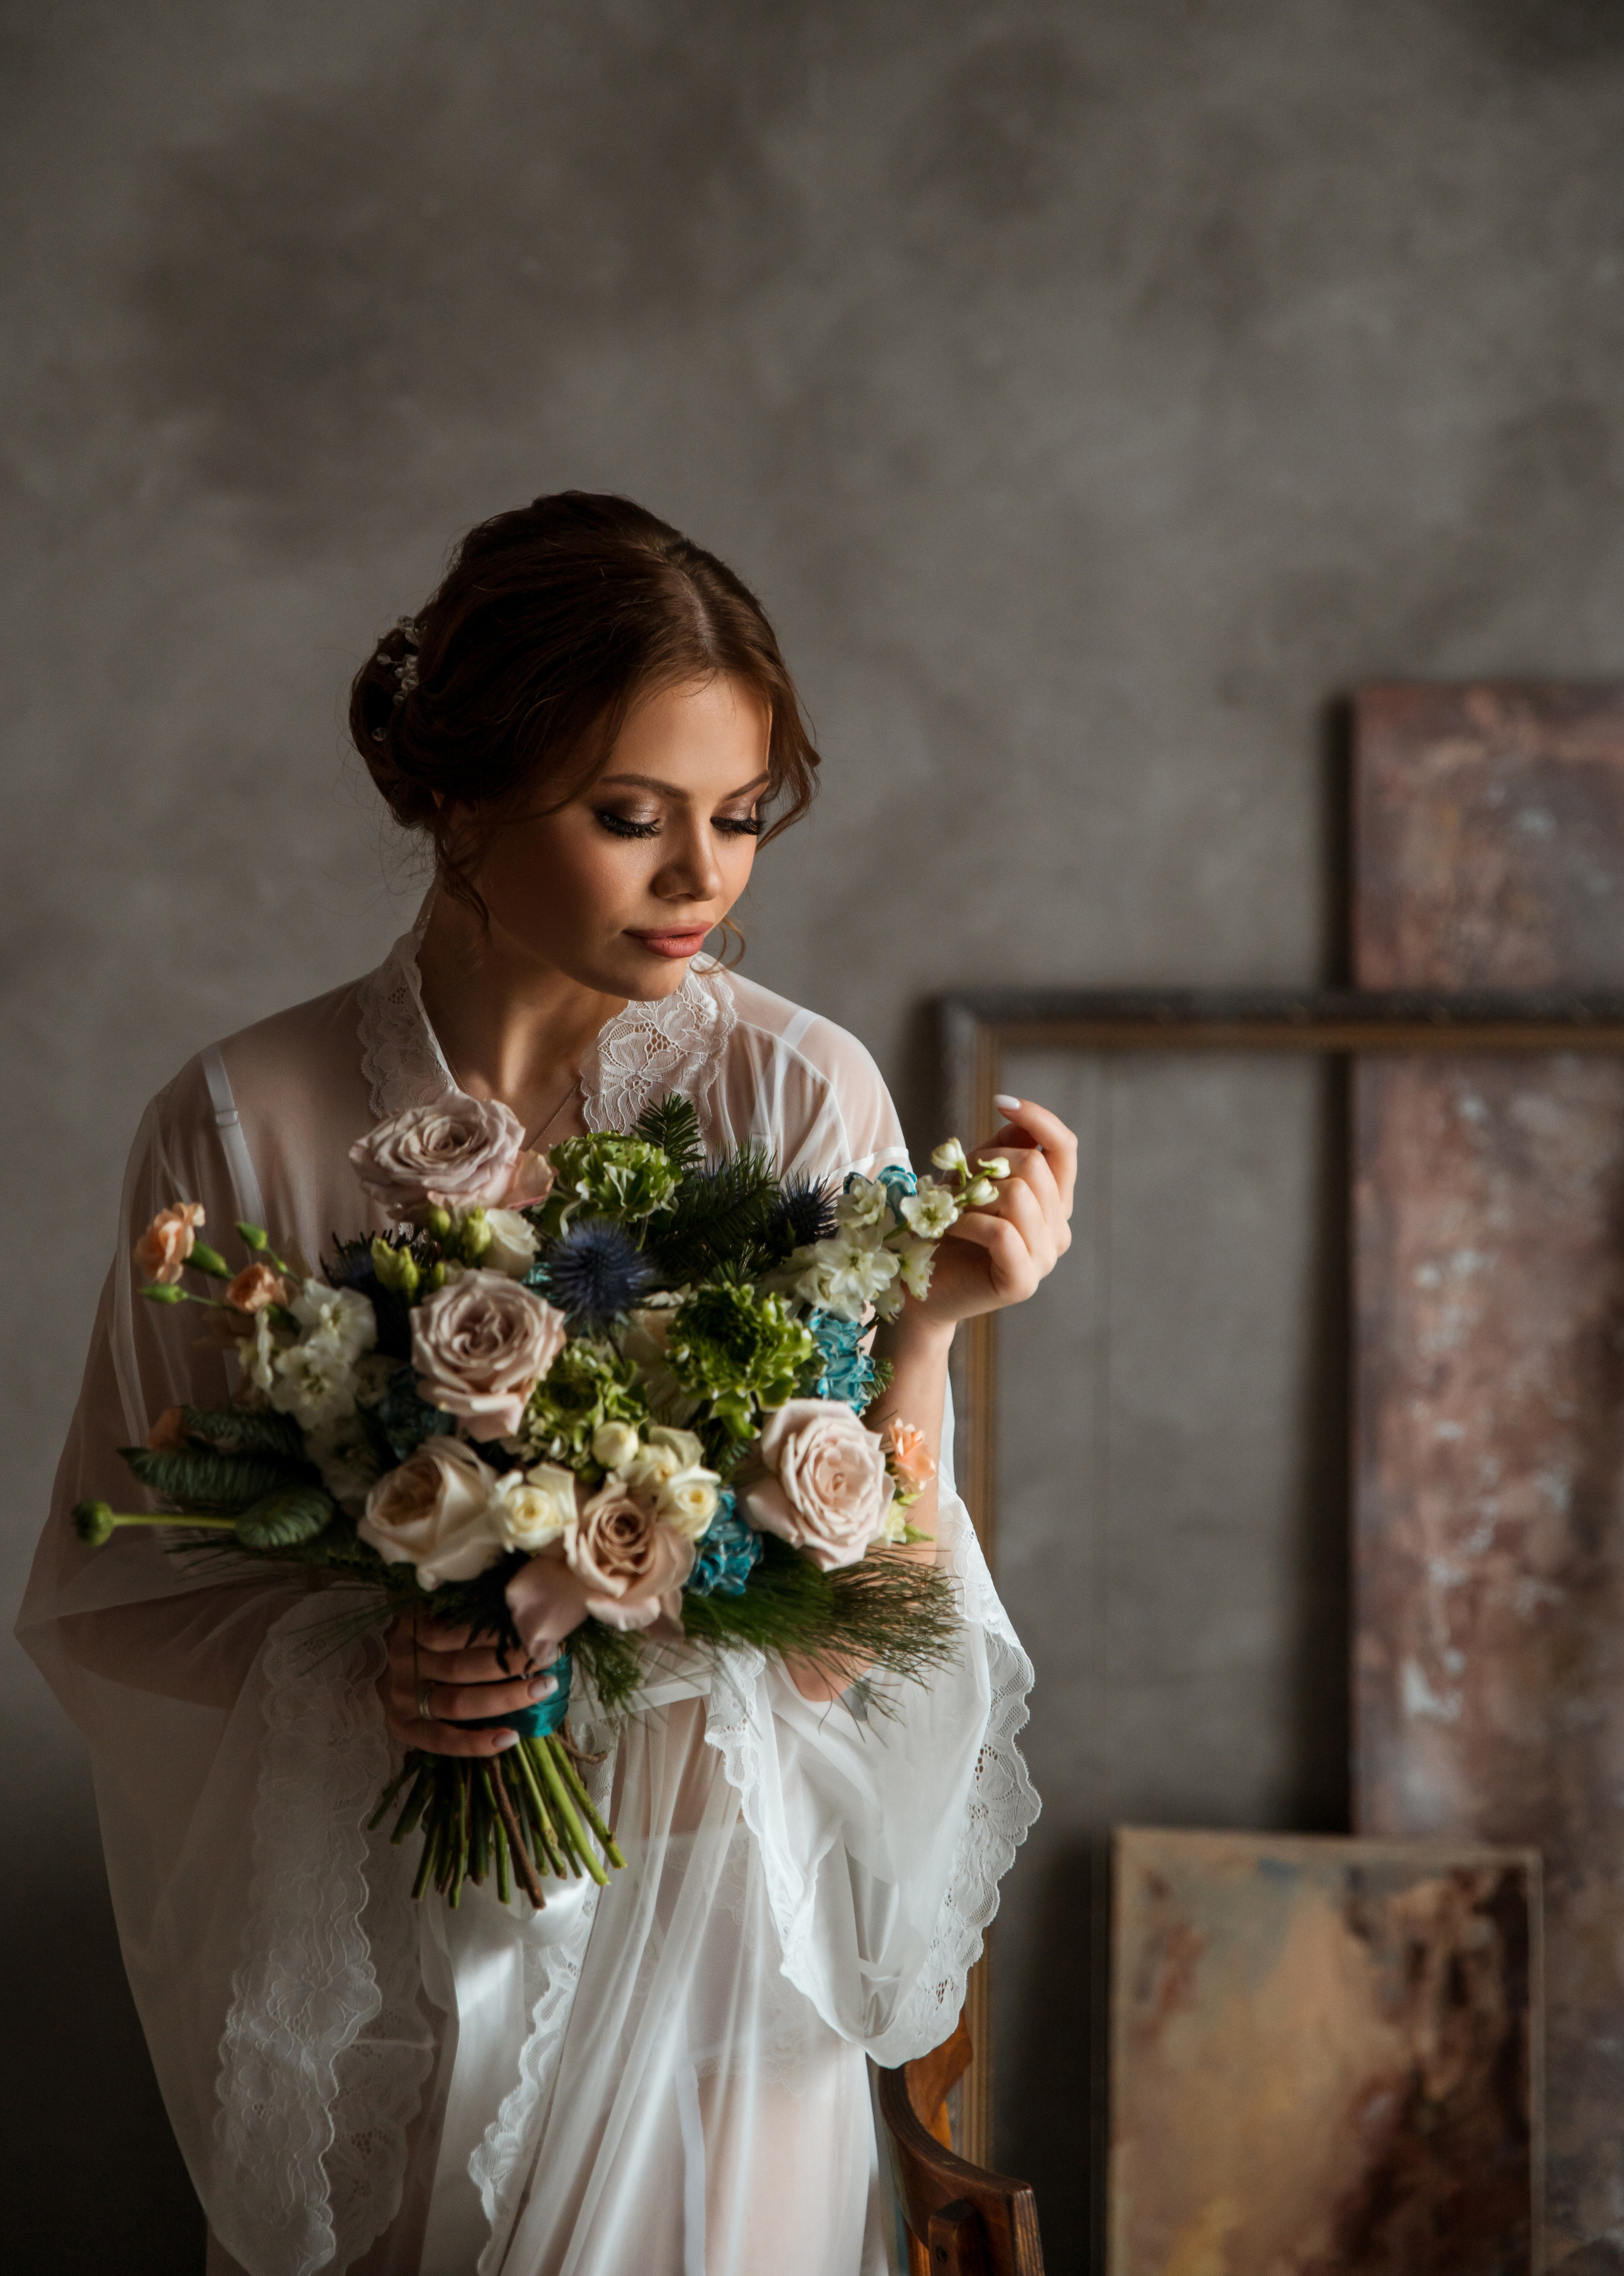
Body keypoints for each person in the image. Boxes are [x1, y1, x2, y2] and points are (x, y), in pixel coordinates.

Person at [18, 492, 1070, 2276]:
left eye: (740, 821)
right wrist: (373, 1660)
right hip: (403, 1973)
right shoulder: (236, 1126)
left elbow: (878, 1622)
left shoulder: (800, 1103)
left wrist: (929, 1332)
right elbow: (115, 1594)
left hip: (722, 1993)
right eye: (630, 817)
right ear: (460, 794)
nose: (703, 881)